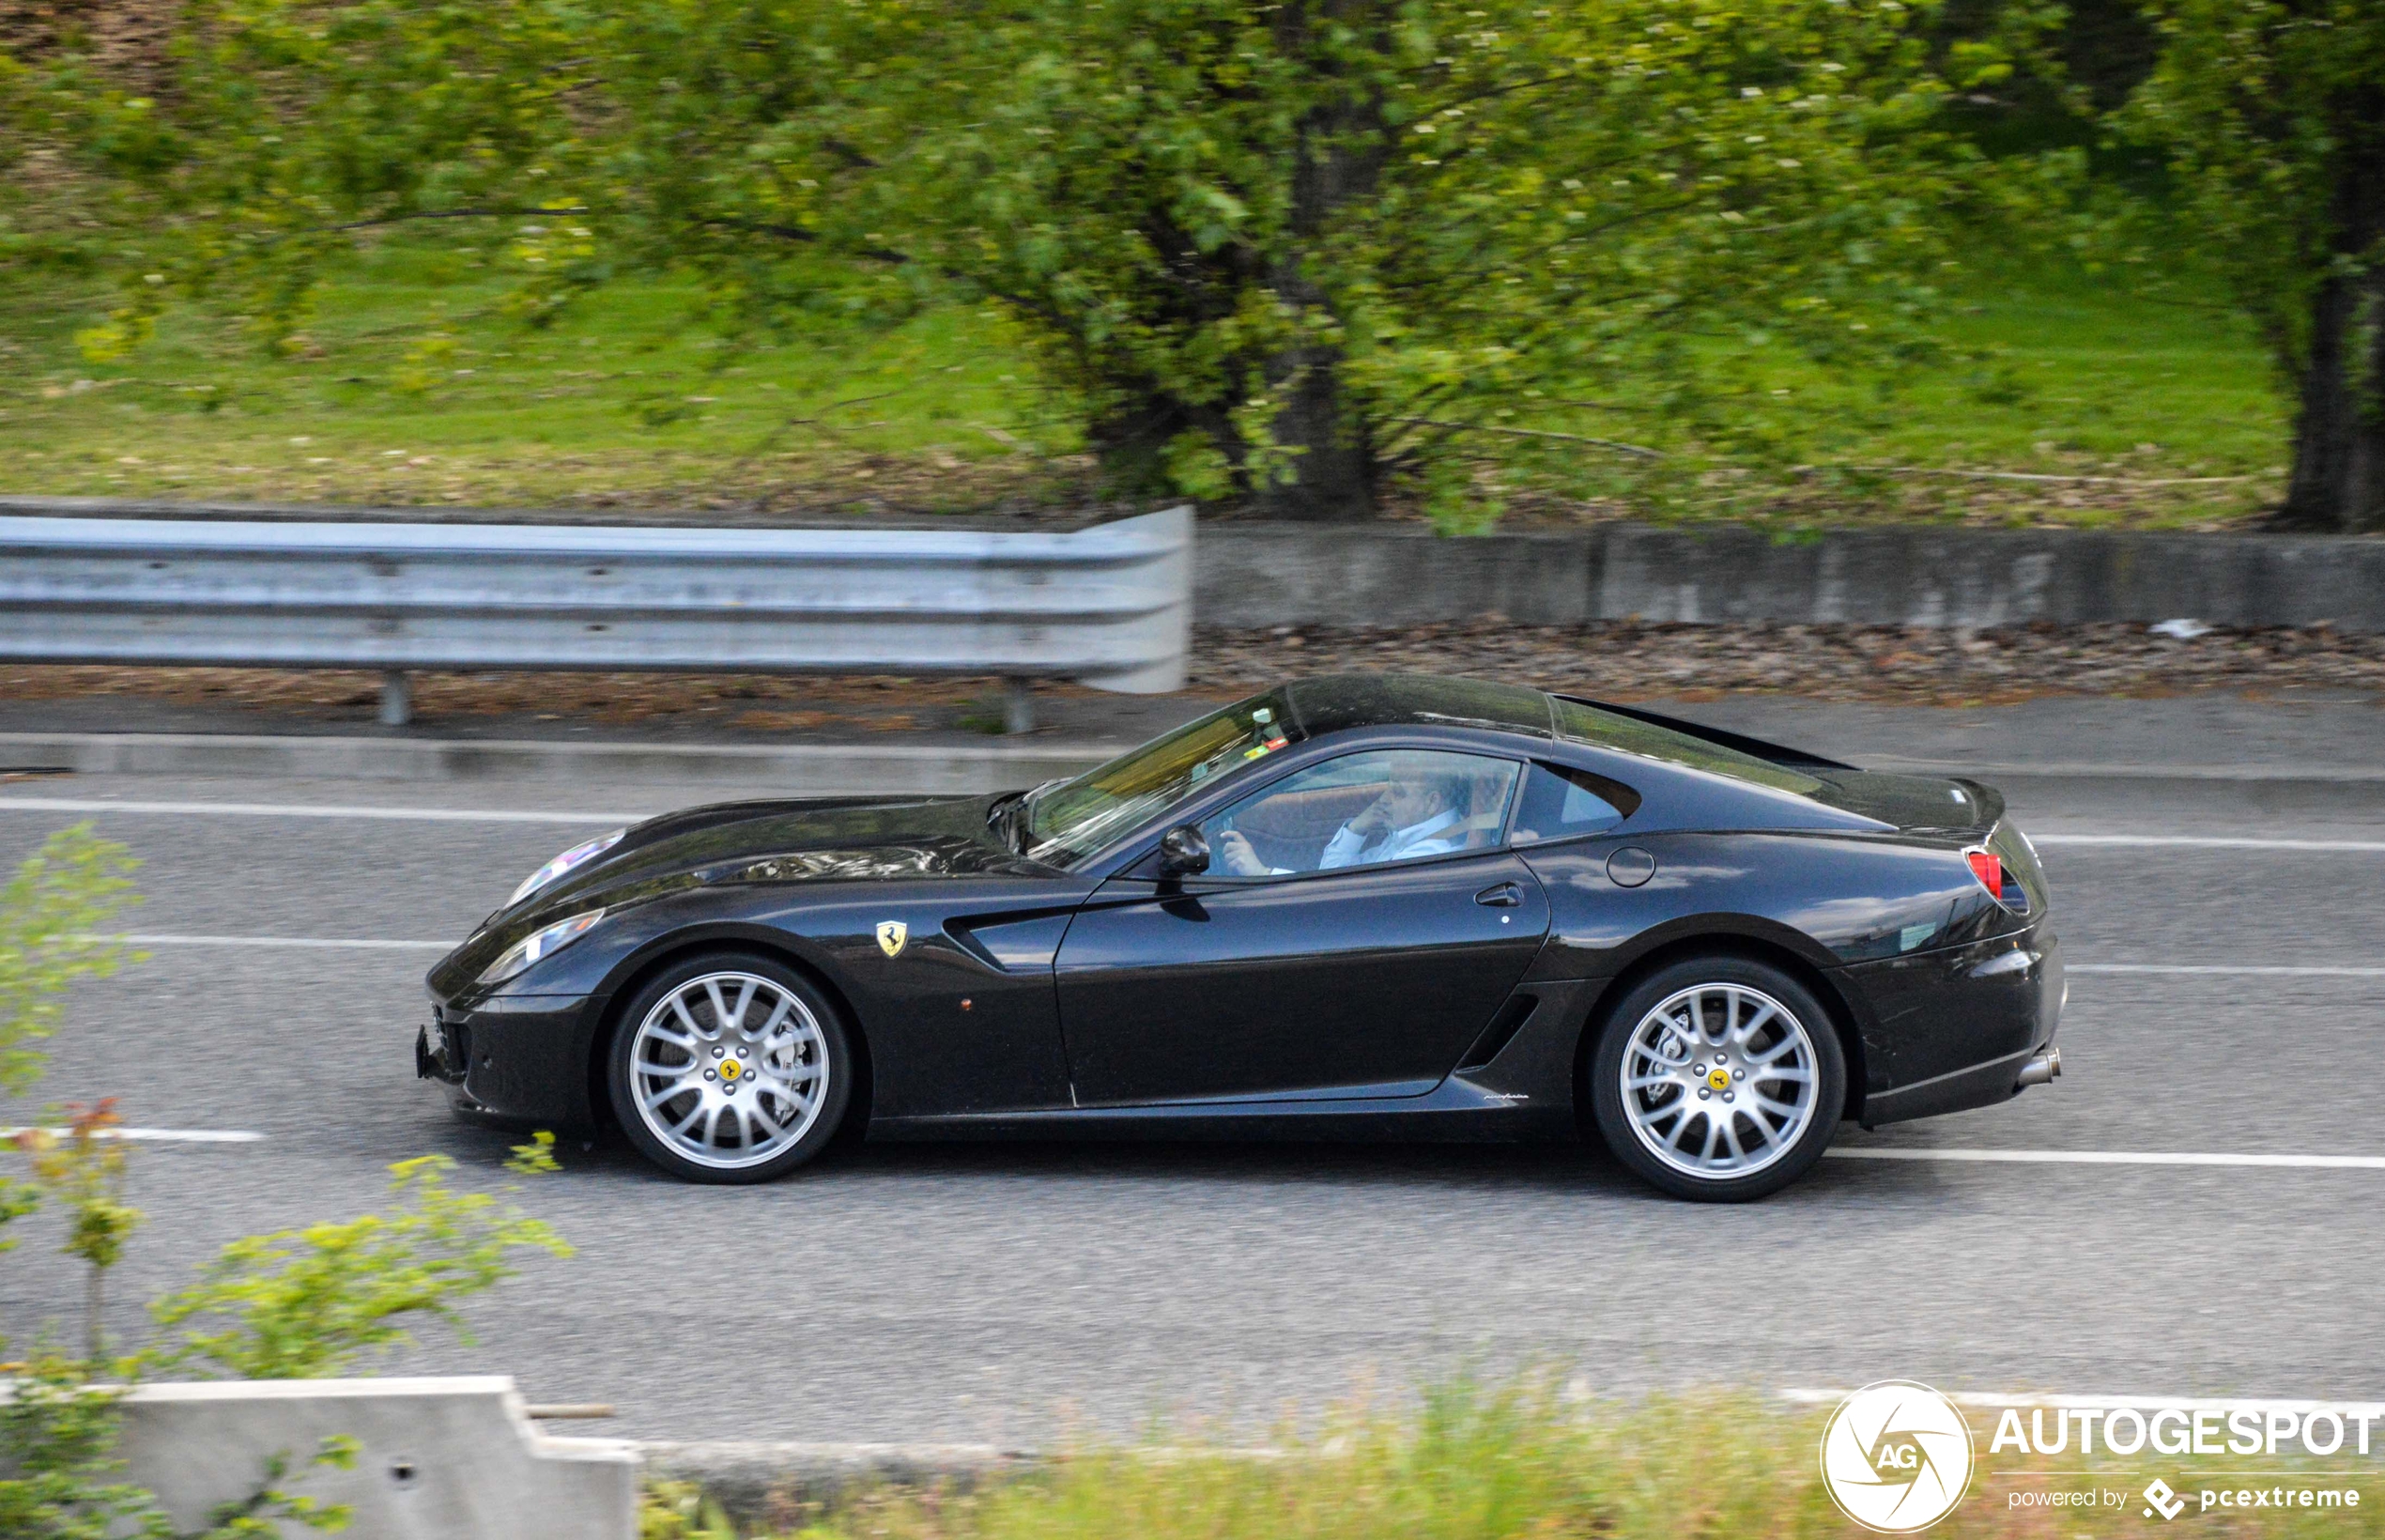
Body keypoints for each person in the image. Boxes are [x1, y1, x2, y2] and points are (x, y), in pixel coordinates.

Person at [1214, 762, 1470, 875]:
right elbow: (1332, 875)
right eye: (1388, 787)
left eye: (1398, 792)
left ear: (1432, 802)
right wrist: (1359, 826)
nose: (1385, 799)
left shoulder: (1427, 853)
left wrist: (1263, 873)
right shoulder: (1411, 834)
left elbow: (1339, 897)